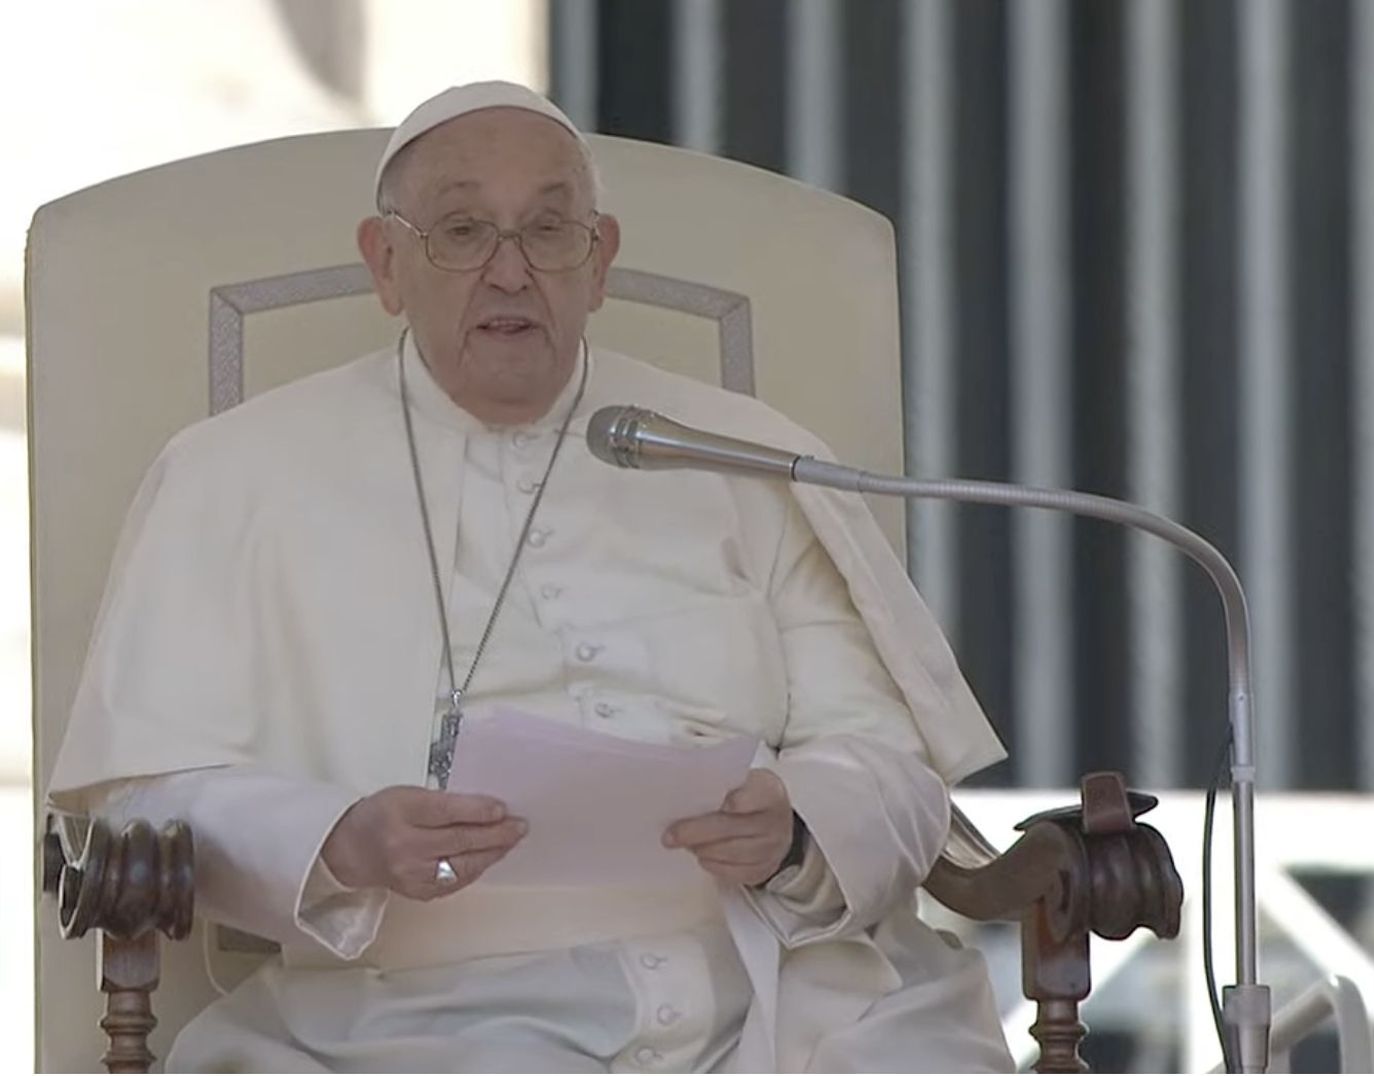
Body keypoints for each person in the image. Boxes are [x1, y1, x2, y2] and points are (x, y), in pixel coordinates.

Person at [48, 81, 1011, 1073]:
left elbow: (888, 760)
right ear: (386, 264)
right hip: (415, 1015)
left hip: (782, 994)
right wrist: (340, 840)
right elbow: (144, 803)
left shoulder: (744, 456)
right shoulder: (230, 473)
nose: (509, 271)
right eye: (461, 231)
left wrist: (800, 827)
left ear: (599, 262)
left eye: (550, 232)